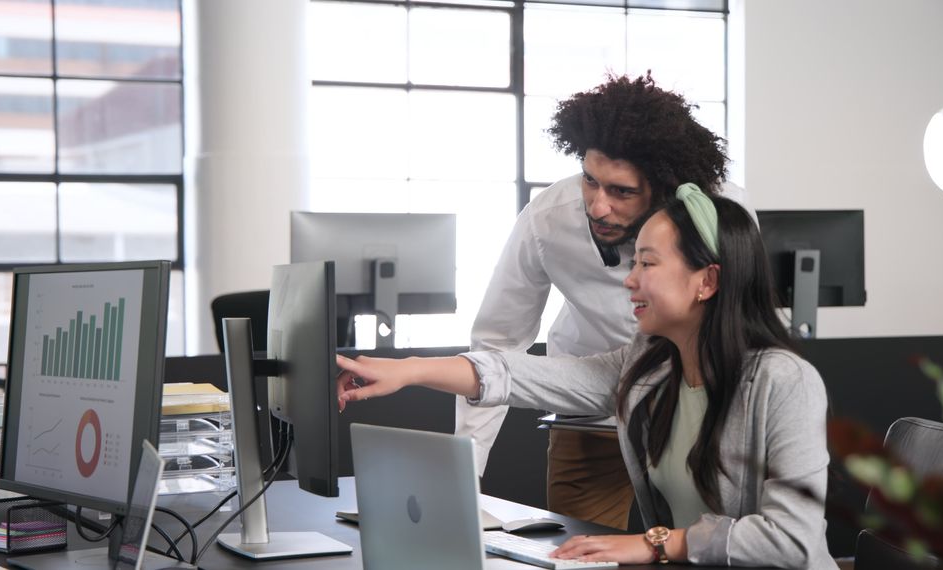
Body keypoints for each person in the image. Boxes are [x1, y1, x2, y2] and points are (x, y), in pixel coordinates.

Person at [337, 187, 835, 568]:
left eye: (647, 263)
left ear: (707, 281)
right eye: (633, 261)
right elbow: (530, 376)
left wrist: (658, 543)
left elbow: (791, 539)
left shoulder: (784, 382)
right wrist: (411, 370)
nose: (630, 279)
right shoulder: (651, 367)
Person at [461, 73, 750, 529]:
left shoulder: (717, 215)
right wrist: (464, 477)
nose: (597, 205)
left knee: (708, 546)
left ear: (665, 187)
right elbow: (497, 344)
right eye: (590, 181)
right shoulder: (548, 220)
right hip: (591, 405)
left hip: (701, 413)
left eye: (621, 191)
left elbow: (746, 323)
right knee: (580, 552)